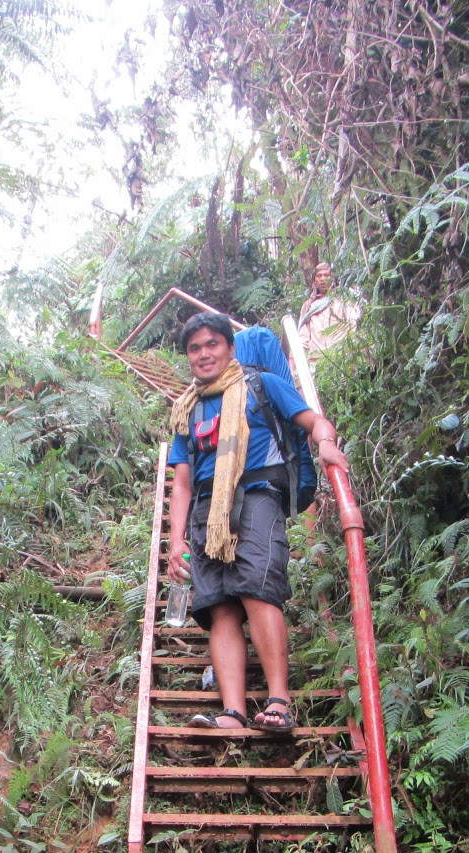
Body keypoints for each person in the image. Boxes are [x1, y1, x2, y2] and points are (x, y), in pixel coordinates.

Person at [166, 313, 348, 732]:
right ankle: (233, 712)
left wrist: (325, 443)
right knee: (219, 608)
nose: (204, 353)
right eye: (195, 348)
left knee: (258, 592)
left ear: (231, 348)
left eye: (212, 344)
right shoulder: (188, 409)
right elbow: (182, 483)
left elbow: (313, 421)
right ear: (188, 357)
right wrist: (176, 541)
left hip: (257, 499)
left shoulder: (261, 385)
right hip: (205, 512)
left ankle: (279, 702)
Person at [298, 262, 361, 362]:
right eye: (319, 276)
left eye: (326, 275)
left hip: (341, 357)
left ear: (332, 278)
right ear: (315, 280)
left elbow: (352, 325)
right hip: (316, 360)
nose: (323, 279)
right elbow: (303, 337)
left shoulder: (344, 299)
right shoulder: (308, 306)